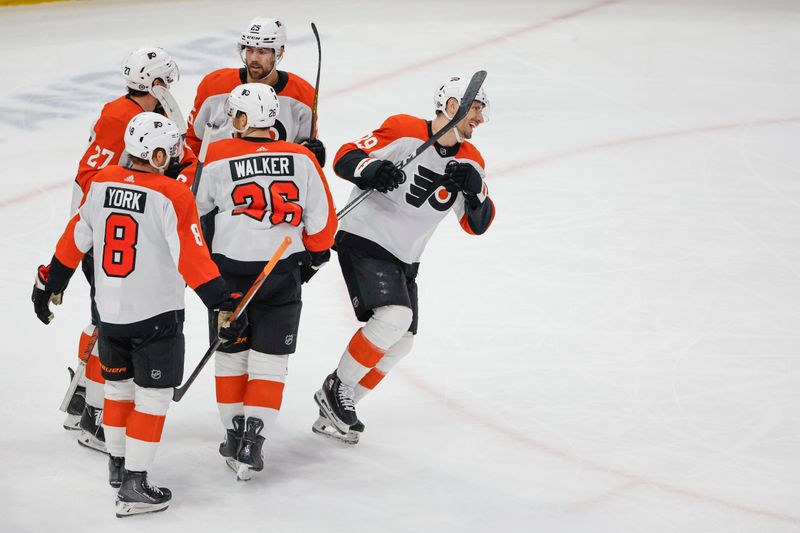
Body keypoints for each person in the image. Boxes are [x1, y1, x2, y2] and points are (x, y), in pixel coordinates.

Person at [32, 113, 240, 517]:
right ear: (158, 153)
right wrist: (222, 303)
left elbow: (75, 238)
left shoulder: (101, 182)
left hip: (109, 314)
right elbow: (194, 259)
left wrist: (49, 282)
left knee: (117, 391)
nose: (179, 153)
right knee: (153, 398)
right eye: (172, 148)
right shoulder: (172, 195)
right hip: (156, 317)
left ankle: (118, 464)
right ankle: (134, 484)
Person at [312, 75, 495, 444]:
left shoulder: (471, 160)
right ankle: (337, 387)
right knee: (395, 317)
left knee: (401, 342)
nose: (481, 118)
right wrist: (371, 169)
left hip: (406, 258)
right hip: (364, 237)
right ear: (452, 106)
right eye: (476, 107)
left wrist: (476, 194)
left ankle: (337, 409)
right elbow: (347, 155)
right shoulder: (404, 129)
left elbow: (476, 226)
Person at [195, 83, 337, 479]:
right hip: (282, 274)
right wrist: (312, 255)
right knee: (271, 362)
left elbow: (192, 214)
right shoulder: (302, 157)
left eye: (233, 116)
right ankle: (252, 440)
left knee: (231, 357)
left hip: (229, 276)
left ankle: (232, 434)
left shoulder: (217, 156)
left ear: (243, 119)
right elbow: (324, 227)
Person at [61, 46, 197, 454]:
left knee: (105, 321)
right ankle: (97, 418)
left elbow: (184, 160)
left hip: (118, 233)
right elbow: (91, 175)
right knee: (108, 324)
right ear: (154, 83)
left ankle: (85, 400)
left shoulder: (148, 117)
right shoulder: (120, 117)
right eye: (165, 83)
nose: (169, 90)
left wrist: (176, 171)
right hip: (102, 235)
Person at [186, 17, 325, 167]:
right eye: (249, 50)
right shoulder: (213, 86)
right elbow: (192, 141)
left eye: (262, 51)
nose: (253, 58)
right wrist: (194, 175)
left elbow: (303, 154)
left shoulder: (303, 95)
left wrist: (313, 153)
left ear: (279, 52)